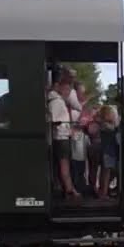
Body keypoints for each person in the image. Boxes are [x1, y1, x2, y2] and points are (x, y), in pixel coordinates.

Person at [47, 72, 78, 200]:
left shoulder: (54, 101)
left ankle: (67, 189)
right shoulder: (57, 102)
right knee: (64, 165)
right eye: (66, 89)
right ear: (59, 87)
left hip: (61, 137)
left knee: (63, 164)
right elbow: (53, 121)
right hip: (61, 138)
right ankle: (69, 190)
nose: (67, 93)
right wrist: (66, 128)